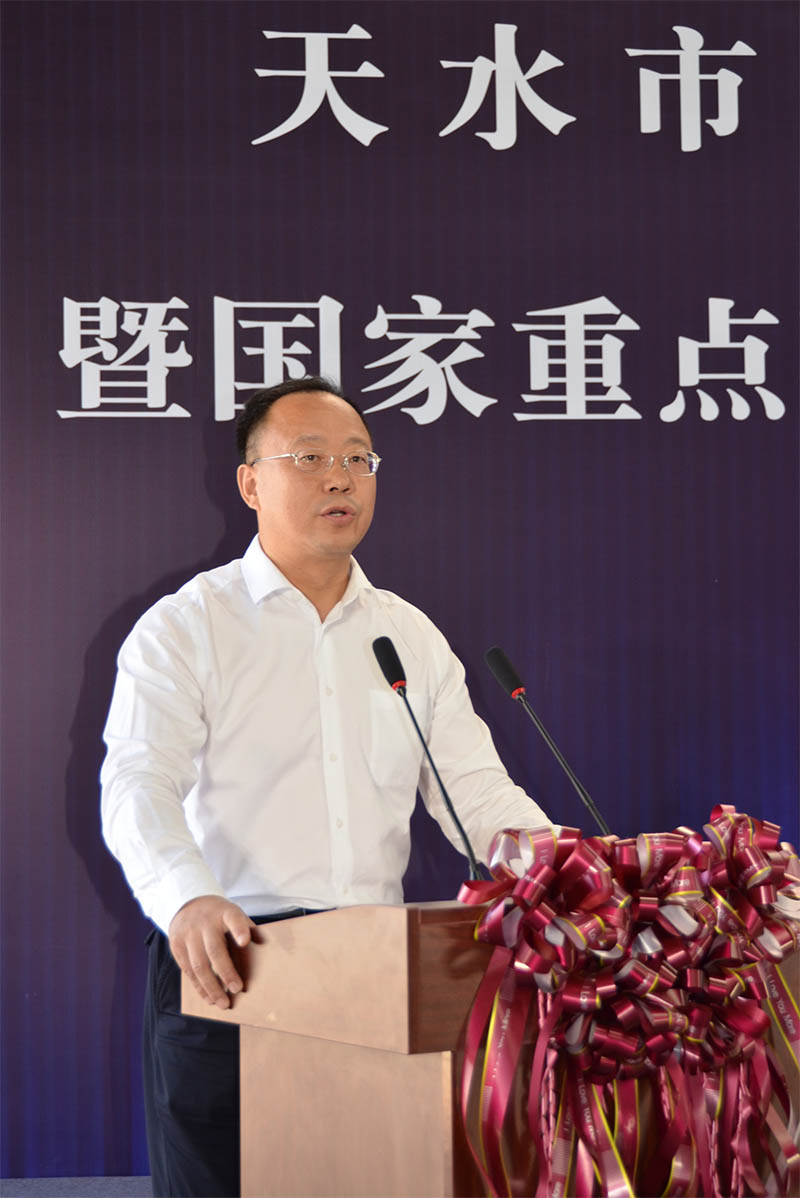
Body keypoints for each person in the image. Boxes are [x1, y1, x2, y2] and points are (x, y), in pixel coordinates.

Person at [101, 376, 553, 1197]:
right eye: (309, 458)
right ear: (250, 483)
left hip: (376, 975)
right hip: (232, 965)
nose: (340, 477)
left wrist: (575, 876)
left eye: (357, 459)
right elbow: (138, 781)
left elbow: (478, 796)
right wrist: (185, 898)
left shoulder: (407, 635)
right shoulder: (187, 625)